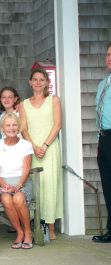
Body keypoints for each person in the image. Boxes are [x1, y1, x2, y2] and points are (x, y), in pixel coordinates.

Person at [20, 68, 63, 240]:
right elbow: (23, 129)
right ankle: (36, 225)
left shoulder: (53, 100)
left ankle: (51, 228)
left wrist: (44, 145)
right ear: (30, 82)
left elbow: (57, 124)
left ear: (47, 82)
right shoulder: (23, 104)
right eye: (35, 79)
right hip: (31, 150)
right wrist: (34, 147)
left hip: (50, 149)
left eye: (41, 79)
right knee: (36, 189)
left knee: (50, 187)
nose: (38, 82)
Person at [0, 113, 34, 249]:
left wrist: (17, 187)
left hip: (22, 182)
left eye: (14, 124)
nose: (11, 128)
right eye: (8, 125)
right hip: (3, 183)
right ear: (2, 128)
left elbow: (26, 170)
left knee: (18, 198)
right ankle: (19, 232)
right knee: (6, 199)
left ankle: (28, 232)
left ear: (19, 127)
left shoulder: (26, 145)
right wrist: (5, 186)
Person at [92, 42, 111, 243]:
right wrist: (99, 141)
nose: (108, 58)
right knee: (108, 187)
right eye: (107, 54)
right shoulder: (102, 84)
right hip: (104, 140)